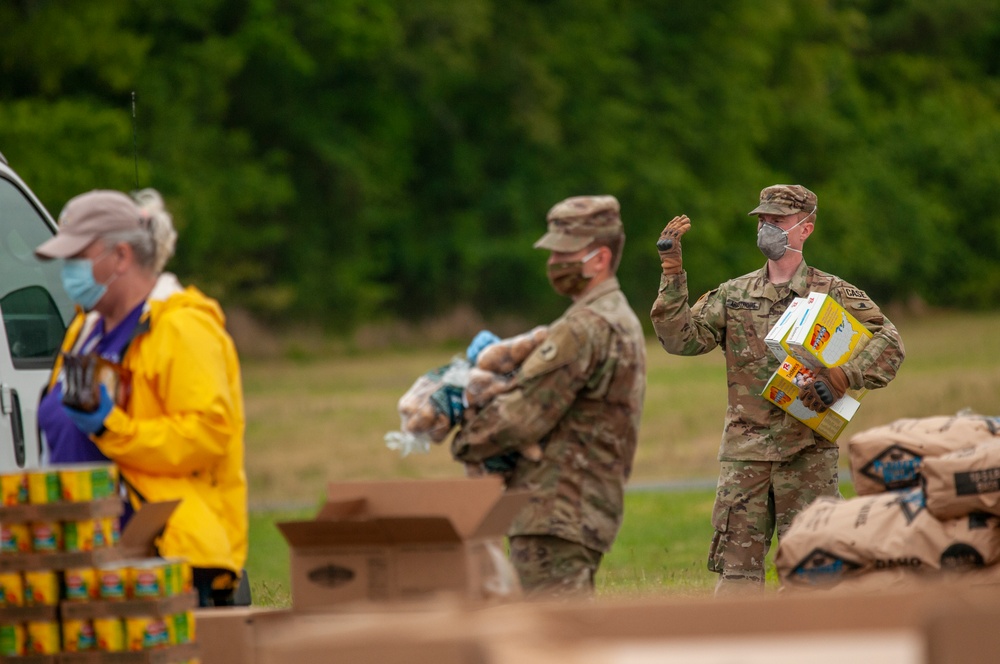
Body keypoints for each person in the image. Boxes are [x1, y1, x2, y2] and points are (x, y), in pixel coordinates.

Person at [650, 184, 905, 596]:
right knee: (737, 579)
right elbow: (680, 341)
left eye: (778, 221)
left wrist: (844, 375)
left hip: (807, 454)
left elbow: (890, 342)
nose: (767, 227)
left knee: (816, 575)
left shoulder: (832, 292)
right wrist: (672, 273)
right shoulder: (733, 294)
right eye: (763, 220)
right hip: (744, 457)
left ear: (806, 228)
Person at [35, 189, 248, 607]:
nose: (67, 270)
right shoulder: (85, 330)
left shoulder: (183, 328)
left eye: (78, 256)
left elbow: (207, 436)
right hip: (83, 555)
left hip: (163, 559)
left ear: (121, 256)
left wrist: (111, 427)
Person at [451, 195, 646, 598]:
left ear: (599, 258)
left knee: (554, 641)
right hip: (585, 503)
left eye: (565, 252)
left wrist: (464, 426)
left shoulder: (582, 328)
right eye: (553, 252)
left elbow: (521, 416)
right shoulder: (620, 317)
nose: (555, 262)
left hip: (556, 506)